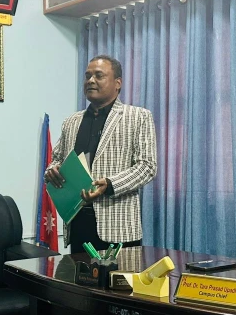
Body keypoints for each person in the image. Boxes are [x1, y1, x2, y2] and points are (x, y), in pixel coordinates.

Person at [44, 55, 157, 253]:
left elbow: (147, 166)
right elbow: (57, 159)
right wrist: (52, 170)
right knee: (78, 274)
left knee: (120, 275)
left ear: (117, 83)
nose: (90, 80)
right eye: (87, 76)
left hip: (118, 227)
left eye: (98, 75)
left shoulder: (138, 116)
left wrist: (110, 184)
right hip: (77, 222)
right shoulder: (71, 121)